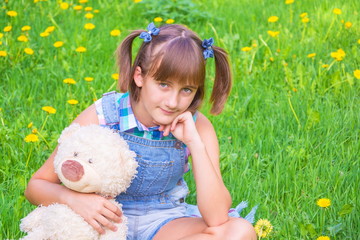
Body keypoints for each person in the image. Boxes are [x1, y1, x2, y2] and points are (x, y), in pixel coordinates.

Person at [24, 23, 256, 240]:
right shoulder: (104, 114)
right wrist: (74, 200)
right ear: (139, 76)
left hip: (164, 221)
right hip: (102, 221)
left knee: (240, 231)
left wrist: (195, 143)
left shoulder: (198, 126)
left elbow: (217, 217)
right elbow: (36, 186)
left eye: (186, 90)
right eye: (164, 85)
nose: (173, 102)